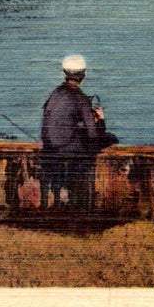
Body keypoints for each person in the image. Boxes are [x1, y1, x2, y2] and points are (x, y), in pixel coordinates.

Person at [39, 55, 117, 211]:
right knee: (111, 138)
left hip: (50, 150)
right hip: (69, 154)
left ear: (64, 74)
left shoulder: (54, 95)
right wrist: (100, 120)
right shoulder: (80, 98)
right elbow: (93, 135)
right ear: (84, 75)